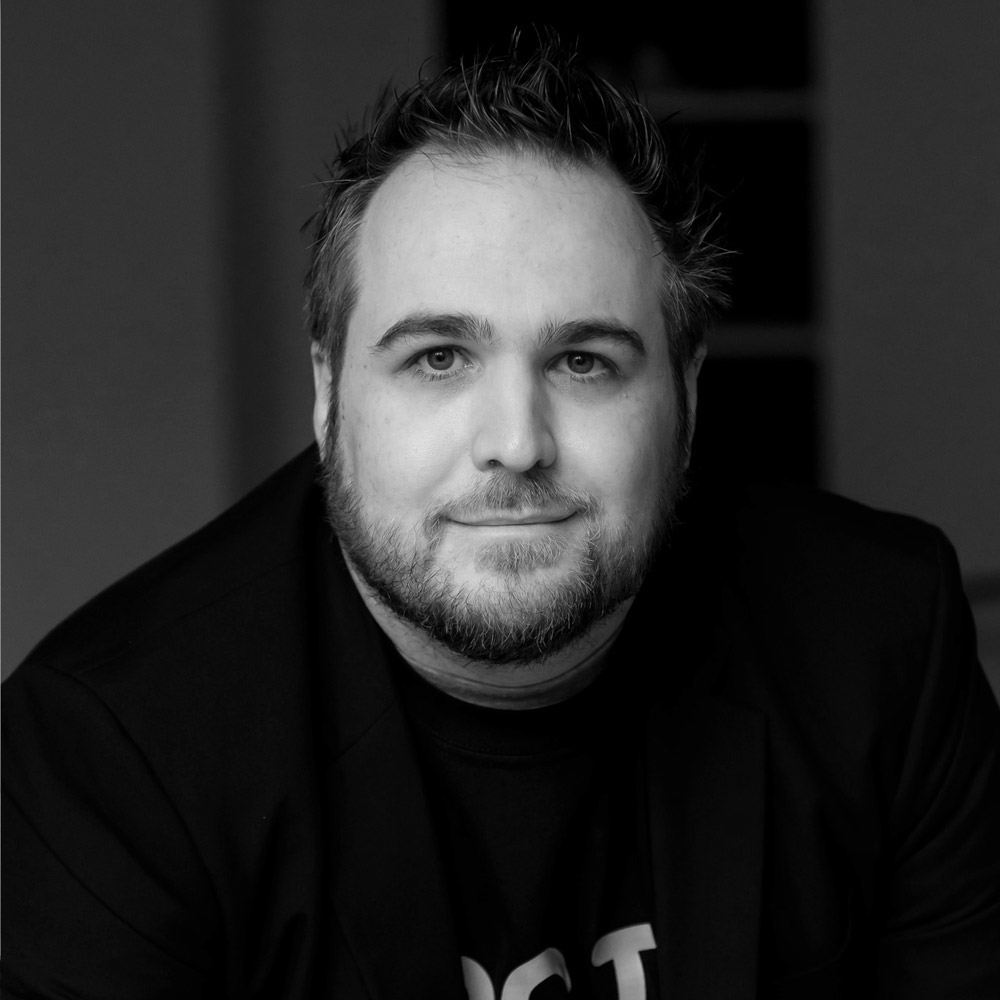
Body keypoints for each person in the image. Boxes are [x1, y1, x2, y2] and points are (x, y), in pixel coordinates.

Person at [3, 37, 999, 1000]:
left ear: (687, 399)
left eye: (584, 361)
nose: (517, 443)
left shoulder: (878, 637)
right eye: (437, 357)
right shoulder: (117, 751)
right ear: (328, 391)